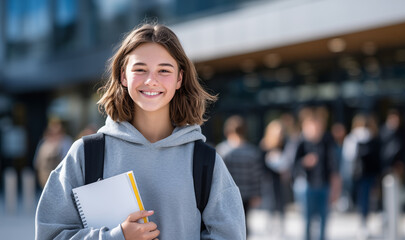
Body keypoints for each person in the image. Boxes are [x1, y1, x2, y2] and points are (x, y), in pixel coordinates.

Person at [35, 23, 246, 240]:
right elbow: (50, 235)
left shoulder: (205, 161)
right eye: (140, 69)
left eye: (164, 70)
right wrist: (117, 237)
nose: (151, 80)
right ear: (123, 76)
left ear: (179, 79)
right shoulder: (86, 154)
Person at [293, 113, 340, 240]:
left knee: (323, 220)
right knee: (307, 220)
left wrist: (335, 188)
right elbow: (293, 166)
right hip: (306, 186)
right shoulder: (301, 143)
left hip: (324, 186)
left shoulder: (327, 142)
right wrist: (305, 162)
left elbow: (333, 167)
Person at [216, 115, 264, 238]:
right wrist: (257, 193)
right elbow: (256, 174)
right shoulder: (252, 151)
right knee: (244, 222)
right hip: (246, 194)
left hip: (227, 195)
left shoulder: (222, 151)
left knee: (228, 224)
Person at [33, 117, 73, 188]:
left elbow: (69, 161)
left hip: (61, 178)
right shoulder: (44, 142)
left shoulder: (66, 141)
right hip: (45, 177)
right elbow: (38, 162)